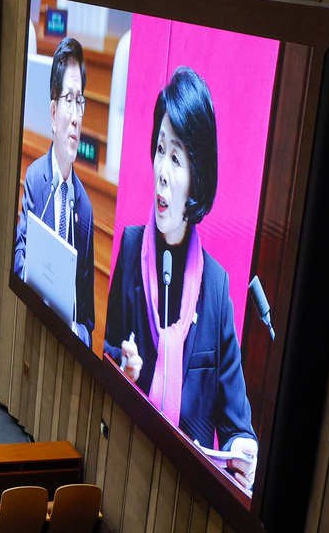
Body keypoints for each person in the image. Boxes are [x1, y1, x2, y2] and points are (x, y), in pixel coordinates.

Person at [103, 67, 258, 491]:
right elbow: (107, 353)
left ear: (196, 180)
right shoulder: (132, 249)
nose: (162, 172)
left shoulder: (216, 289)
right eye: (159, 150)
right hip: (127, 462)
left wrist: (246, 451)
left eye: (176, 158)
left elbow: (237, 427)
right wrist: (124, 369)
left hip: (185, 489)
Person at [12, 36, 96, 346]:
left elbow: (88, 317)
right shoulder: (35, 179)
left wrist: (77, 332)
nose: (76, 116)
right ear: (52, 111)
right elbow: (19, 254)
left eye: (81, 101)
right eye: (69, 99)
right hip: (32, 325)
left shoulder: (84, 209)